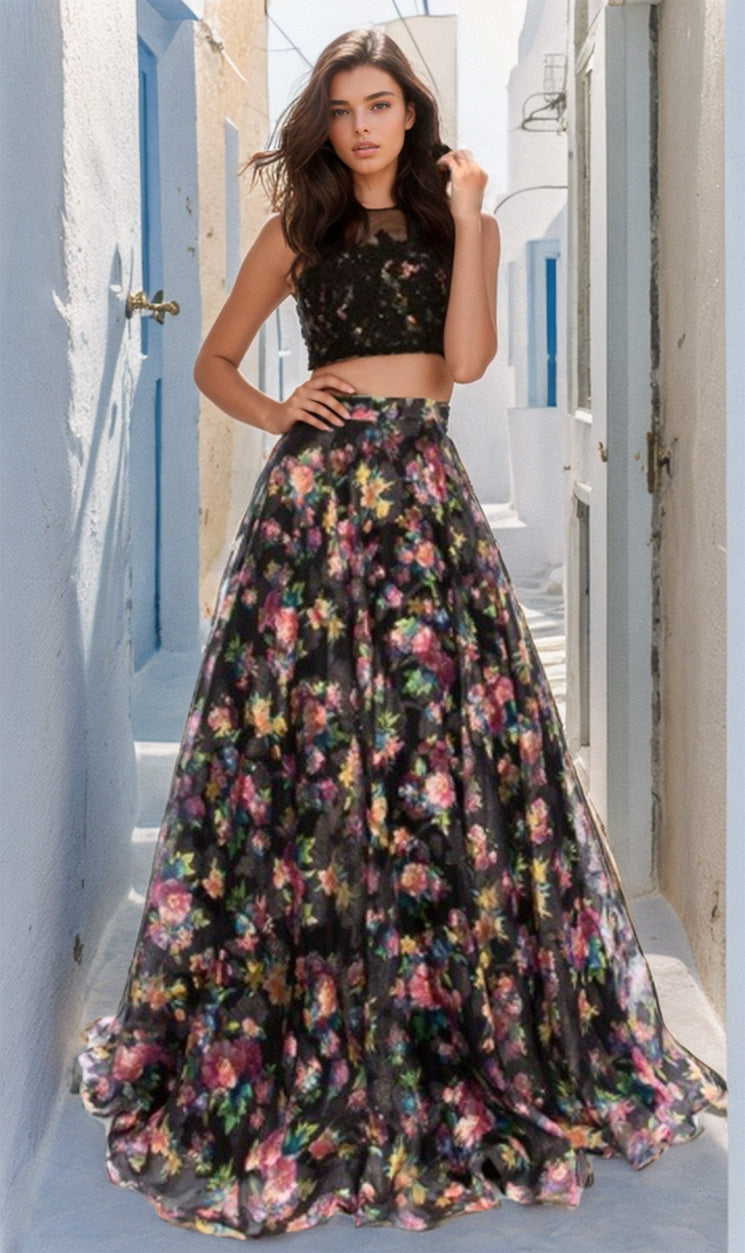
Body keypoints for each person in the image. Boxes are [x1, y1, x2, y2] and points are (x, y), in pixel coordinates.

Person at [78, 26, 726, 1241]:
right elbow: (215, 360)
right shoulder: (300, 231)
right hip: (315, 512)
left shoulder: (445, 221)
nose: (363, 126)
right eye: (342, 108)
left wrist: (475, 216)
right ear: (325, 123)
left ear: (412, 115)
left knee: (441, 765)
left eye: (382, 104)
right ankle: (310, 1023)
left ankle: (441, 1023)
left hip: (422, 508)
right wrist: (282, 405)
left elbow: (468, 360)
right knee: (310, 763)